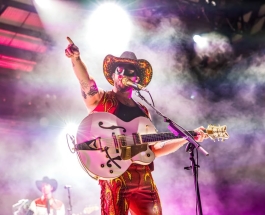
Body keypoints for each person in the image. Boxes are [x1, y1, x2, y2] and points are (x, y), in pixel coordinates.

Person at [65, 37, 207, 215]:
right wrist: (76, 59)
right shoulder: (103, 99)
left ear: (136, 77)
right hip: (115, 176)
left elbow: (155, 150)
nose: (122, 73)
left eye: (128, 70)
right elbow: (86, 83)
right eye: (119, 69)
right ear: (114, 75)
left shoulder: (144, 111)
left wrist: (187, 137)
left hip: (144, 178)